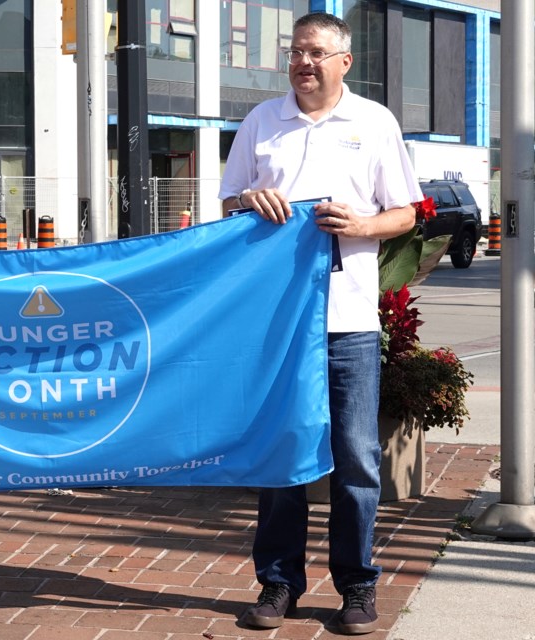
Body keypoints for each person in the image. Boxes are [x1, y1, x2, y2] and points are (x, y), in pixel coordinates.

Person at [218, 12, 421, 636]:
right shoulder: (261, 122)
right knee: (282, 456)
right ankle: (278, 584)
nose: (302, 63)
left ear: (344, 61)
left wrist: (361, 226)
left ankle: (357, 587)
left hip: (348, 321)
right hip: (276, 325)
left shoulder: (374, 123)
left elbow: (406, 213)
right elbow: (228, 203)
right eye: (295, 53)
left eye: (314, 53)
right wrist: (247, 199)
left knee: (356, 459)